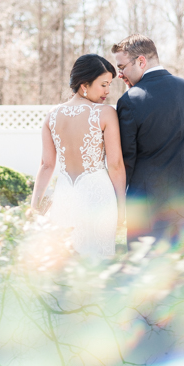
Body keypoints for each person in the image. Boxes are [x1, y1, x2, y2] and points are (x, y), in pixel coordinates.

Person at [112, 34, 184, 253]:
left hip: (149, 212)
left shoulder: (130, 101)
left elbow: (126, 162)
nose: (120, 75)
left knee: (147, 280)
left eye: (122, 68)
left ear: (141, 61)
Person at [31, 54, 127, 258]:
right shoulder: (106, 113)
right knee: (97, 264)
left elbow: (46, 166)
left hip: (64, 197)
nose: (107, 91)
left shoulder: (52, 116)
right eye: (103, 85)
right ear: (84, 85)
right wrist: (121, 207)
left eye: (109, 84)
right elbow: (116, 164)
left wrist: (34, 206)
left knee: (66, 264)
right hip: (98, 199)